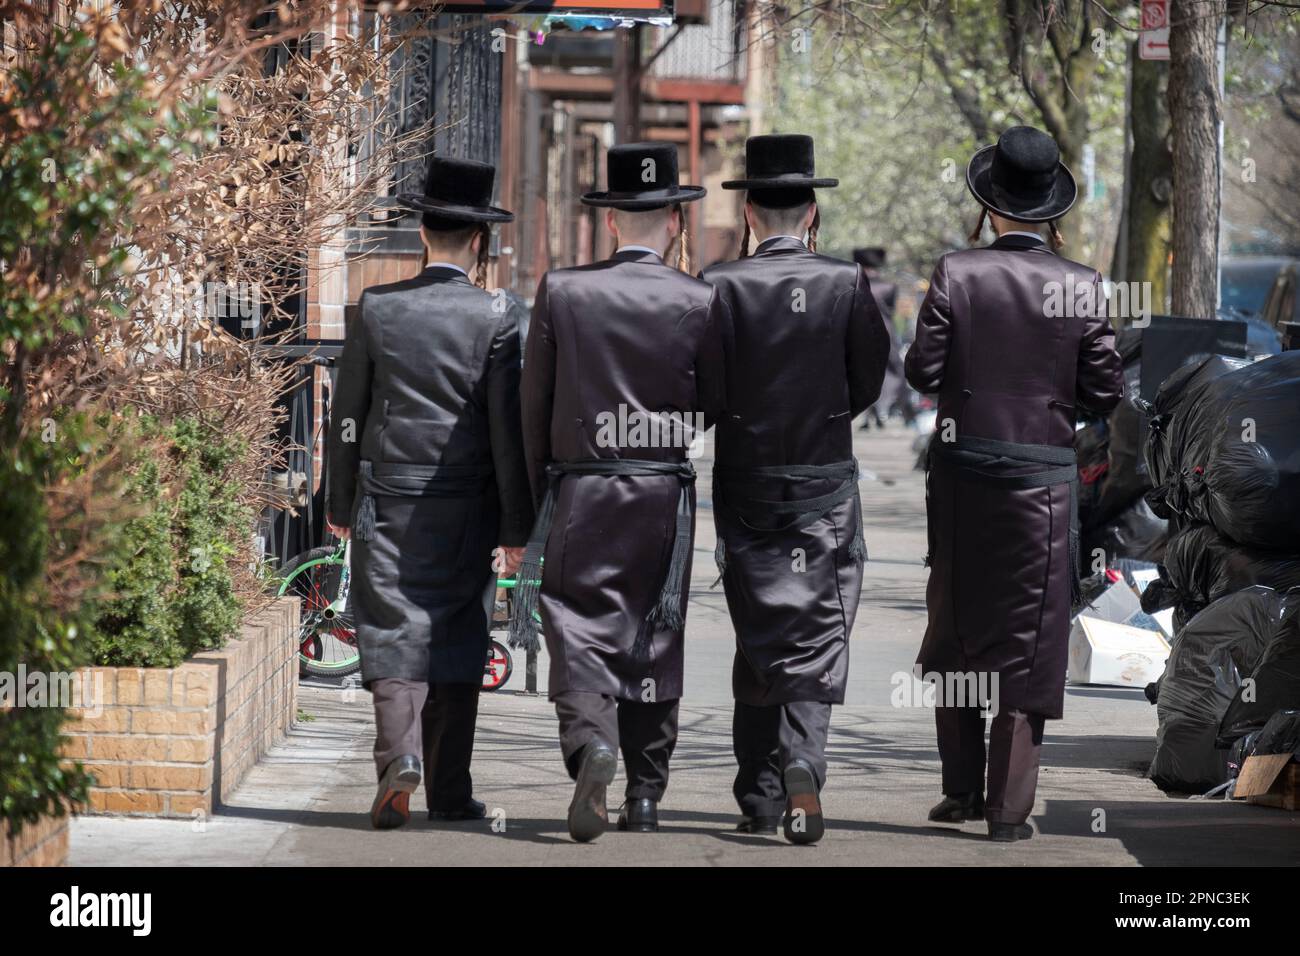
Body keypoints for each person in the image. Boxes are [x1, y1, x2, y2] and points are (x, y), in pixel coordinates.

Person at [904, 126, 1123, 842]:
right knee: (1029, 638)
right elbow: (1105, 389)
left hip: (965, 475)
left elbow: (921, 372)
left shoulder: (957, 274)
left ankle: (961, 789)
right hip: (1044, 482)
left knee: (959, 626)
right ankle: (1006, 810)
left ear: (989, 204)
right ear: (1050, 210)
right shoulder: (1082, 285)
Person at [511, 142, 726, 843]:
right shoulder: (700, 298)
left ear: (609, 223)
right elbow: (715, 405)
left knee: (576, 626)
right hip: (662, 494)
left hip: (582, 489)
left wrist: (540, 489)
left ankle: (591, 745)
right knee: (655, 637)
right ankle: (645, 795)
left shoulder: (565, 290)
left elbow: (533, 405)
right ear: (672, 219)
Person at [326, 156, 534, 830]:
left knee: (391, 634)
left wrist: (338, 503)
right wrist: (515, 525)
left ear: (422, 231)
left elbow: (348, 416)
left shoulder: (379, 309)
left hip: (387, 499)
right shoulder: (500, 315)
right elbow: (508, 430)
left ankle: (398, 759)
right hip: (468, 504)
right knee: (457, 634)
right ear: (478, 240)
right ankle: (449, 790)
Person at [702, 134, 891, 844]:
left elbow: (707, 389)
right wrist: (823, 413)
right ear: (811, 213)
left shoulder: (719, 285)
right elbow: (870, 377)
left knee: (758, 630)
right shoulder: (845, 283)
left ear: (749, 212)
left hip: (747, 481)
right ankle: (804, 763)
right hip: (824, 482)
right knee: (815, 631)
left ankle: (757, 791)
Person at [853, 247, 910, 428]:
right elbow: (892, 311)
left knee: (862, 372)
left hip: (859, 333)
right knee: (890, 373)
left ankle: (871, 412)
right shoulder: (889, 287)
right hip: (886, 334)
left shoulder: (854, 284)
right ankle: (883, 408)